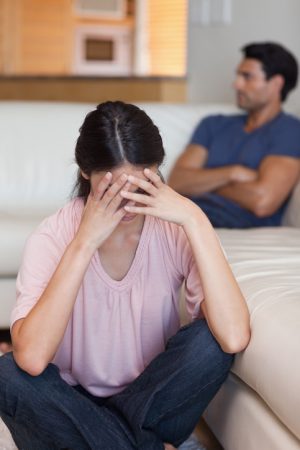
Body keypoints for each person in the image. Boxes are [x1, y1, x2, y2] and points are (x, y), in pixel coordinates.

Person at [0, 101, 250, 450]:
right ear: (86, 172)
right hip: (72, 401)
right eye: (114, 189)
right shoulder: (53, 235)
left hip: (151, 399)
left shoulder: (175, 229)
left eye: (142, 183)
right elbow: (32, 357)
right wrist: (84, 243)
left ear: (157, 169)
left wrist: (195, 218)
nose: (129, 201)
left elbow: (234, 336)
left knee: (212, 342)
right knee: (10, 373)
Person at [168, 42, 300, 228]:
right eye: (238, 75)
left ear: (276, 83)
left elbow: (262, 202)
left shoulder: (290, 131)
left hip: (222, 223)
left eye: (247, 77)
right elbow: (177, 181)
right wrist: (233, 173)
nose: (236, 84)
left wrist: (205, 182)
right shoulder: (213, 124)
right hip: (181, 212)